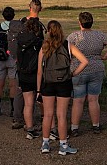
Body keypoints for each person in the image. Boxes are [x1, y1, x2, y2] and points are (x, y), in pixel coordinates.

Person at [36, 20, 88, 155]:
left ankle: (45, 144)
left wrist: (38, 89)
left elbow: (39, 71)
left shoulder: (44, 47)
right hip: (64, 82)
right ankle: (63, 145)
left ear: (48, 31)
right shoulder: (68, 45)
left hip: (48, 83)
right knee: (62, 115)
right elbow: (84, 61)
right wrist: (73, 73)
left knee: (48, 115)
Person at [67, 12, 107, 136]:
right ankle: (96, 126)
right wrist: (105, 56)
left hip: (79, 69)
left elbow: (65, 49)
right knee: (93, 99)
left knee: (78, 100)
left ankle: (74, 128)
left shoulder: (74, 36)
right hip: (96, 68)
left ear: (80, 22)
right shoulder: (99, 35)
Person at [10, 0, 48, 131]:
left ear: (29, 7)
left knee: (21, 92)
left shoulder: (21, 23)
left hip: (21, 63)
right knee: (38, 92)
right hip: (35, 65)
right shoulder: (39, 26)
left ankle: (18, 118)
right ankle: (42, 119)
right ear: (40, 9)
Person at [16, 17, 45, 139]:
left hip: (22, 73)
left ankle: (29, 128)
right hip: (35, 73)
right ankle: (47, 124)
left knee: (28, 103)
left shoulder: (20, 39)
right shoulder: (38, 41)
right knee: (41, 100)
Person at [0, 7, 17, 117]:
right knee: (12, 85)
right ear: (13, 15)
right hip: (12, 57)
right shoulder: (16, 27)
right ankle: (12, 109)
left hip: (0, 57)